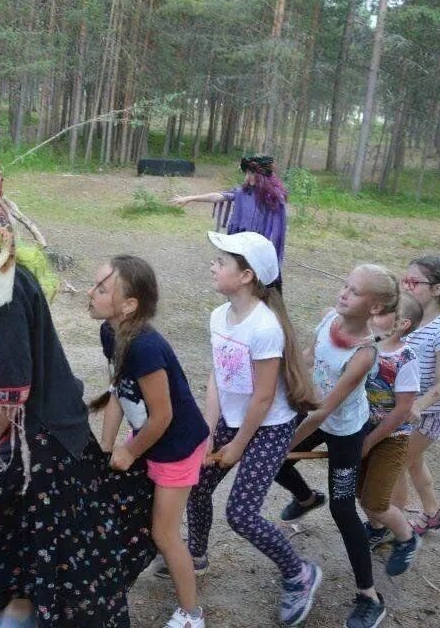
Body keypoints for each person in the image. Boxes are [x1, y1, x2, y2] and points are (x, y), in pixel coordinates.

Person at [0, 156, 156, 628]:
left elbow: (8, 384)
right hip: (25, 438)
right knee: (15, 559)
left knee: (20, 562)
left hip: (41, 445)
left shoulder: (0, 284)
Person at [179, 231, 322, 627]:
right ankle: (196, 557)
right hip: (229, 419)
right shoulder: (217, 316)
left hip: (268, 428)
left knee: (241, 514)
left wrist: (238, 446)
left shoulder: (265, 327)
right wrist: (209, 430)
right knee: (196, 483)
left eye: (222, 262)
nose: (213, 265)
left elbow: (262, 398)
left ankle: (299, 573)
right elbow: (216, 378)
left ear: (246, 276)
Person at [87, 255, 210, 628]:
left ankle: (192, 614)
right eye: (95, 285)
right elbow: (117, 393)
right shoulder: (111, 332)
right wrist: (107, 450)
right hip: (148, 437)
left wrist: (130, 450)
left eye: (102, 289)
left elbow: (164, 417)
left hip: (176, 448)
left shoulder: (145, 347)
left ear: (129, 305)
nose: (90, 293)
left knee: (164, 532)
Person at [273, 264, 398, 628]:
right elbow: (309, 359)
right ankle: (307, 498)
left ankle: (369, 597)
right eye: (345, 285)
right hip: (314, 412)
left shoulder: (363, 355)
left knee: (344, 510)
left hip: (343, 429)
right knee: (277, 464)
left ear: (374, 308)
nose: (344, 293)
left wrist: (285, 441)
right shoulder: (329, 319)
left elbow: (326, 410)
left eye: (355, 291)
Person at [391, 256, 440, 536]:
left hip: (431, 413)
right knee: (413, 461)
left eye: (414, 282)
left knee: (396, 462)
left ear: (437, 290)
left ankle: (393, 524)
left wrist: (418, 405)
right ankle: (433, 512)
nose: (406, 286)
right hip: (408, 407)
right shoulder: (410, 318)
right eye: (404, 280)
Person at [359, 292, 423, 576]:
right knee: (362, 493)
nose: (374, 312)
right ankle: (375, 530)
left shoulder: (406, 358)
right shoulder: (367, 344)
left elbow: (402, 411)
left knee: (376, 501)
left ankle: (407, 538)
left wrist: (370, 441)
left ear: (402, 323)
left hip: (391, 438)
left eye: (383, 311)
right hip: (362, 430)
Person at [171, 156, 287, 290]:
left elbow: (278, 230)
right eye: (247, 173)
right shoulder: (243, 193)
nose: (248, 177)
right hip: (240, 246)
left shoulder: (274, 198)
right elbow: (219, 196)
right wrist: (192, 198)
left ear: (262, 176)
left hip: (258, 248)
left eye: (252, 173)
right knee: (239, 283)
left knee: (260, 288)